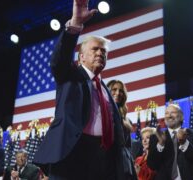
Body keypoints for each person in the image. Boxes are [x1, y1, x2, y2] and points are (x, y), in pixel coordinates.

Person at [33, 0, 128, 179]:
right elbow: (58, 60)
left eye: (103, 51)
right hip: (72, 154)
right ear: (81, 57)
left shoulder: (106, 90)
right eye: (95, 49)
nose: (100, 53)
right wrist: (75, 25)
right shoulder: (70, 75)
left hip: (103, 159)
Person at [147, 104, 193, 180]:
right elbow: (152, 165)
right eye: (166, 113)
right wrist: (160, 144)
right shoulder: (156, 137)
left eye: (173, 112)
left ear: (181, 117)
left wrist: (184, 143)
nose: (169, 116)